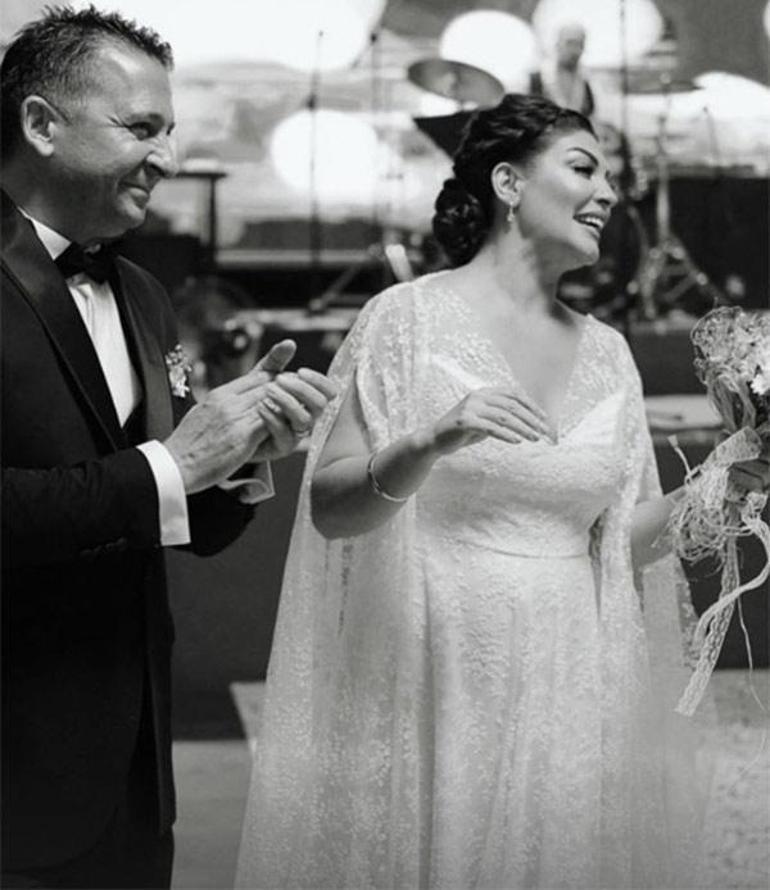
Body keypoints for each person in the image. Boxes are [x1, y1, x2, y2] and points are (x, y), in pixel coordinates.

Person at [235, 93, 770, 889]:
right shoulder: (405, 319)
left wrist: (725, 482)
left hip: (570, 669)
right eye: (584, 169)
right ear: (509, 183)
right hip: (435, 665)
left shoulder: (609, 352)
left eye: (608, 179)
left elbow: (619, 544)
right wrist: (429, 440)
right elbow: (331, 509)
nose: (608, 195)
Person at [0, 6, 336, 888]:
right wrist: (176, 463)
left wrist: (246, 452)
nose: (169, 157)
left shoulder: (145, 292)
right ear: (40, 124)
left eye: (170, 131)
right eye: (142, 127)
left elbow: (188, 523)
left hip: (133, 766)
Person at [529, 22, 595, 118]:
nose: (575, 50)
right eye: (570, 43)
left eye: (580, 45)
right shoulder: (537, 79)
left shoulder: (585, 83)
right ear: (557, 44)